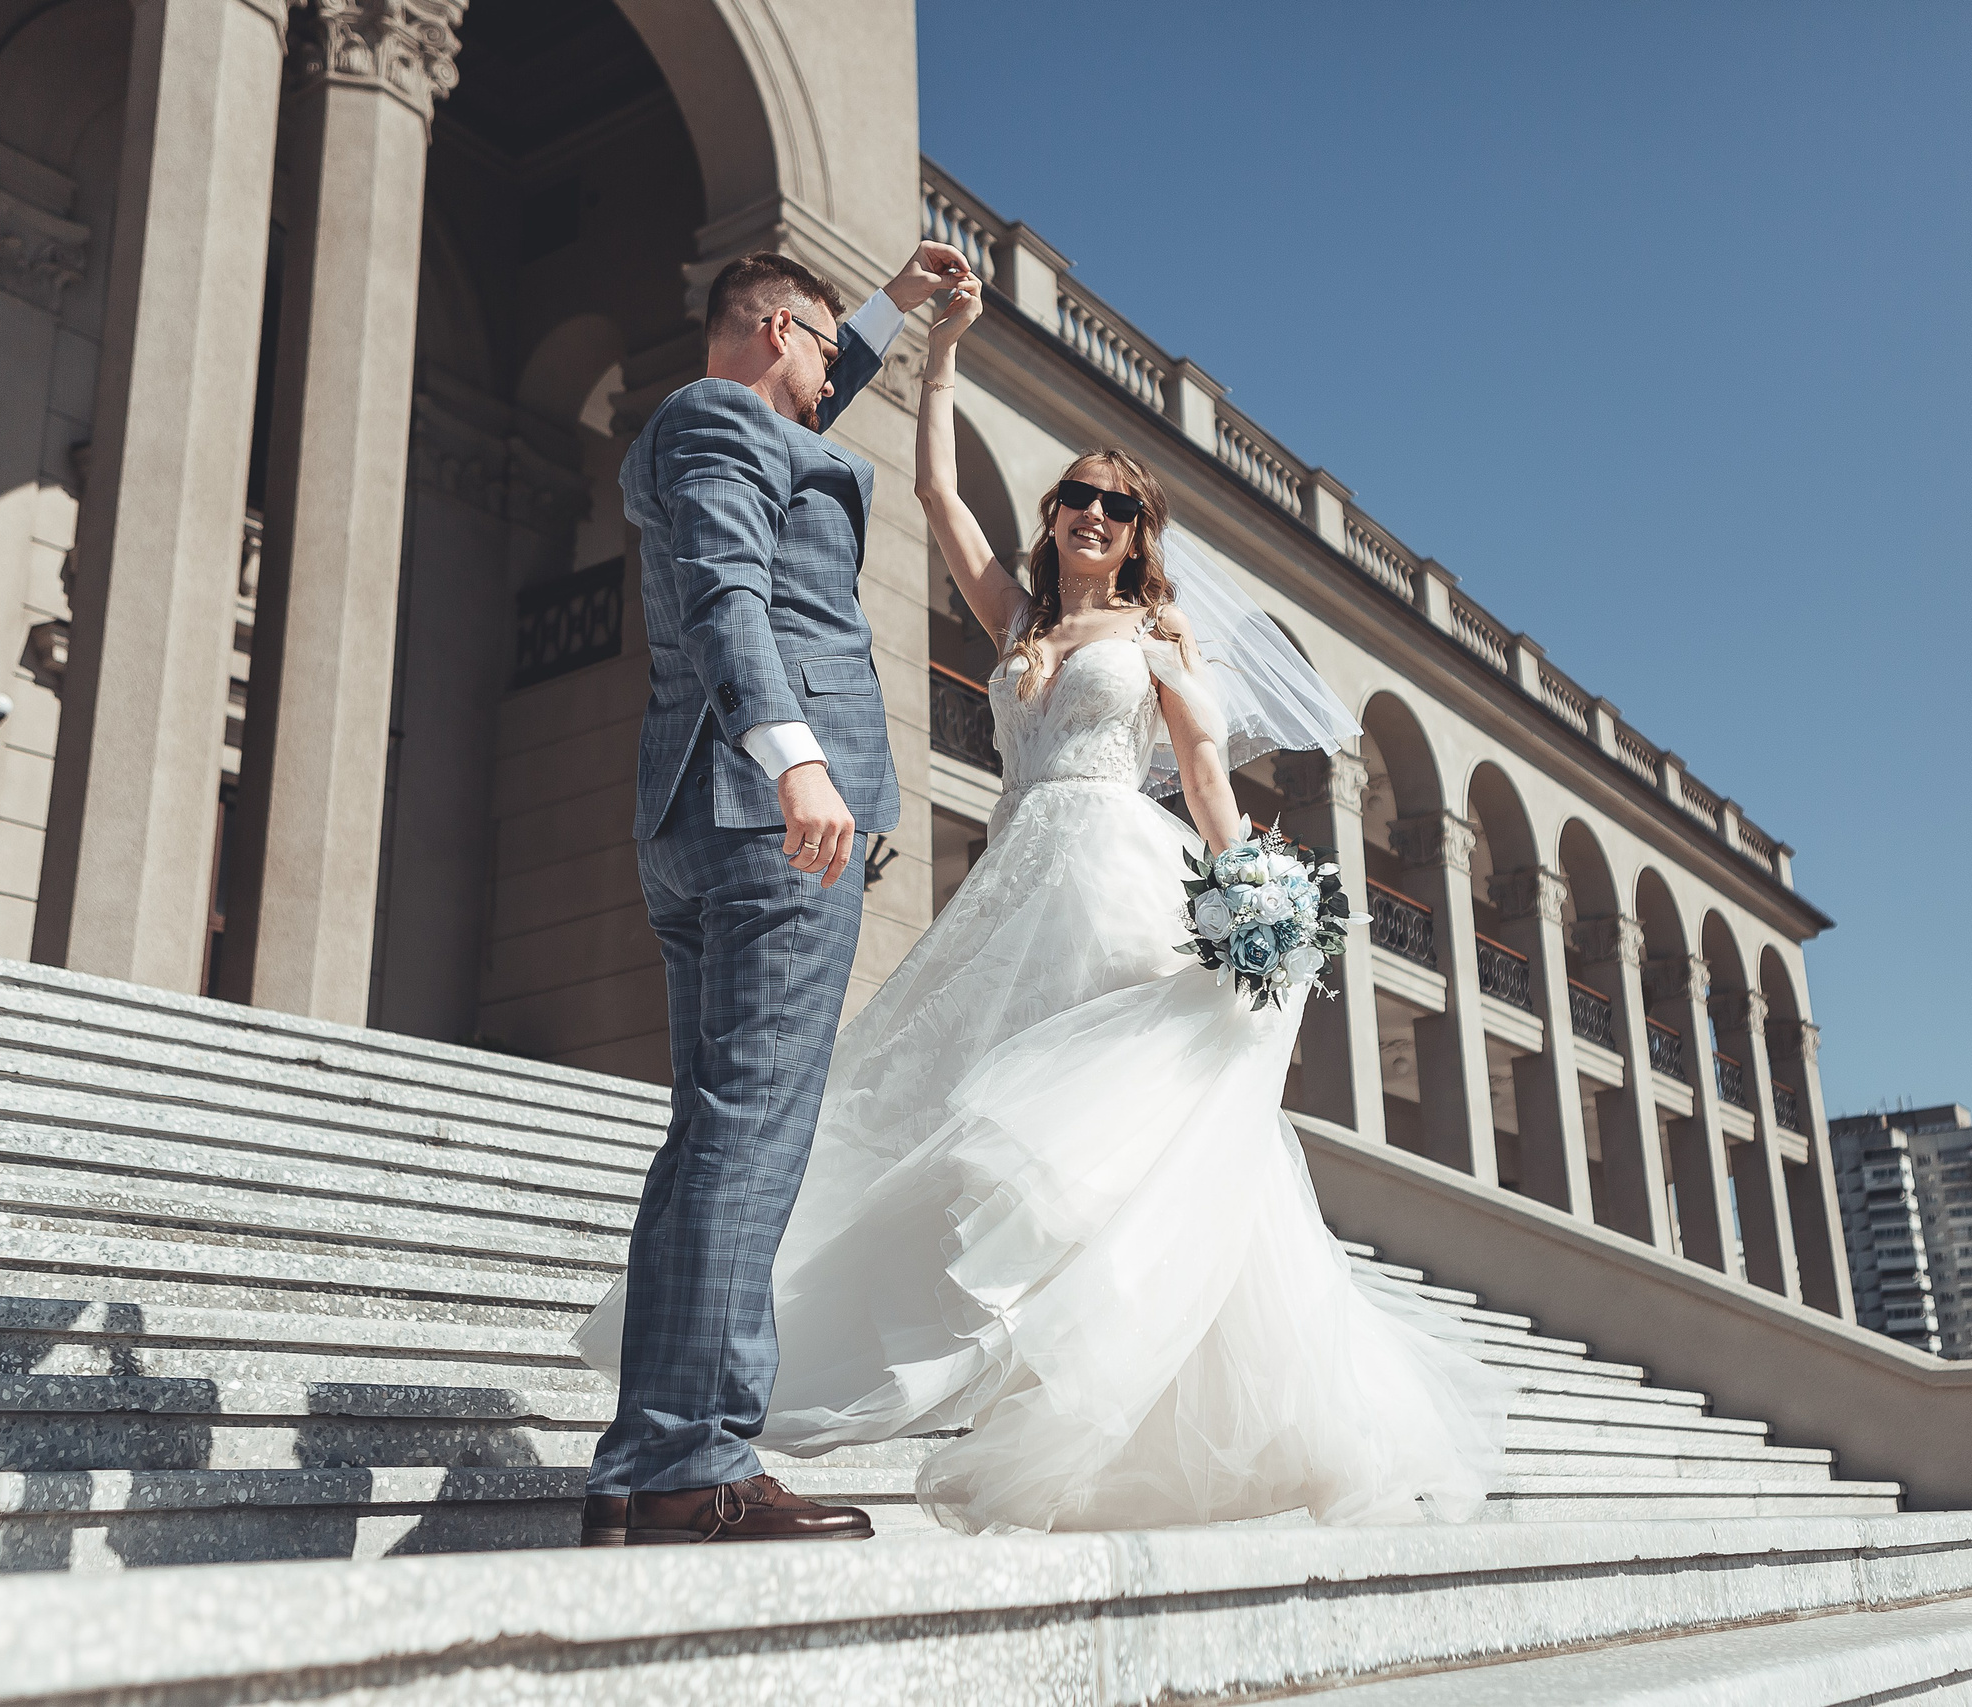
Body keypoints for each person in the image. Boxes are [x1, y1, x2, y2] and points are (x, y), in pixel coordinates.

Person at [580, 271, 1510, 1536]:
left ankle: (728, 1440)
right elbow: (928, 494)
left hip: (1114, 878)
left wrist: (1255, 905)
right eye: (1070, 493)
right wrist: (938, 348)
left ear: (1138, 533)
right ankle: (694, 1446)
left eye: (1111, 503)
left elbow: (1204, 789)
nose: (1085, 509)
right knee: (900, 1128)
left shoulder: (1164, 643)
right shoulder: (1013, 620)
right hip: (1005, 877)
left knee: (1106, 1142)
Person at [581, 240, 973, 1549]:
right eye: (818, 348)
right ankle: (699, 1461)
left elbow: (801, 402)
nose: (830, 379)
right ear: (773, 330)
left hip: (710, 813)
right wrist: (797, 755)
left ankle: (655, 1464)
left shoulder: (735, 419)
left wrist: (893, 307)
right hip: (768, 815)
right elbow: (725, 593)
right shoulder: (716, 418)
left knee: (717, 1131)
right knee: (751, 1134)